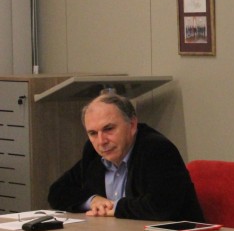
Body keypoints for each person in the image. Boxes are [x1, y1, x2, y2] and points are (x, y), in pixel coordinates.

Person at [48, 92, 204, 221]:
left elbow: (161, 206)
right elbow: (57, 192)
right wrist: (93, 200)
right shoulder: (93, 152)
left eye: (109, 129)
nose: (101, 141)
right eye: (93, 133)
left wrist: (115, 208)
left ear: (132, 125)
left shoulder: (156, 149)